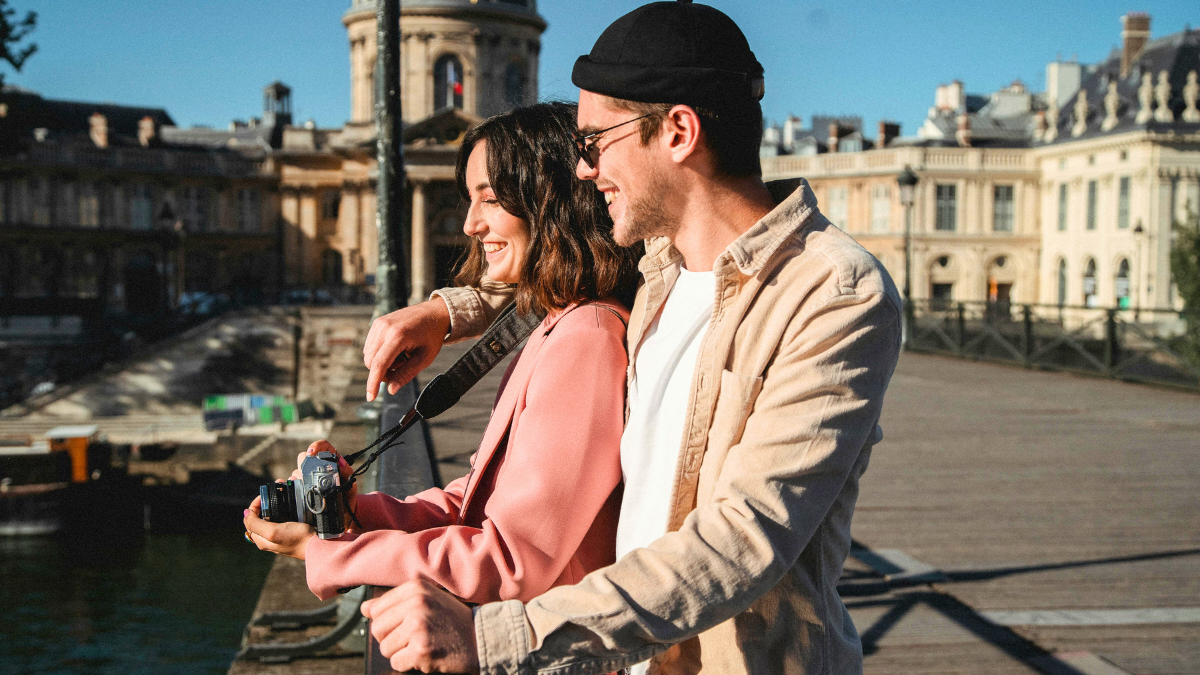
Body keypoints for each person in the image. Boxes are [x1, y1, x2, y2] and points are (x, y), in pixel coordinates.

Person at [357, 2, 904, 675]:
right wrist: (449, 310)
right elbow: (557, 246)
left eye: (592, 144)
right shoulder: (655, 269)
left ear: (677, 132)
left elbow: (742, 539)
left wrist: (500, 636)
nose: (582, 169)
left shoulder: (834, 292)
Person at [243, 102, 640, 606]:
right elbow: (479, 501)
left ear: (550, 203)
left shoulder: (584, 337)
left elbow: (512, 561)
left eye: (490, 199)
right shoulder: (560, 323)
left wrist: (331, 555)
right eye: (468, 200)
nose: (470, 224)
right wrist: (358, 514)